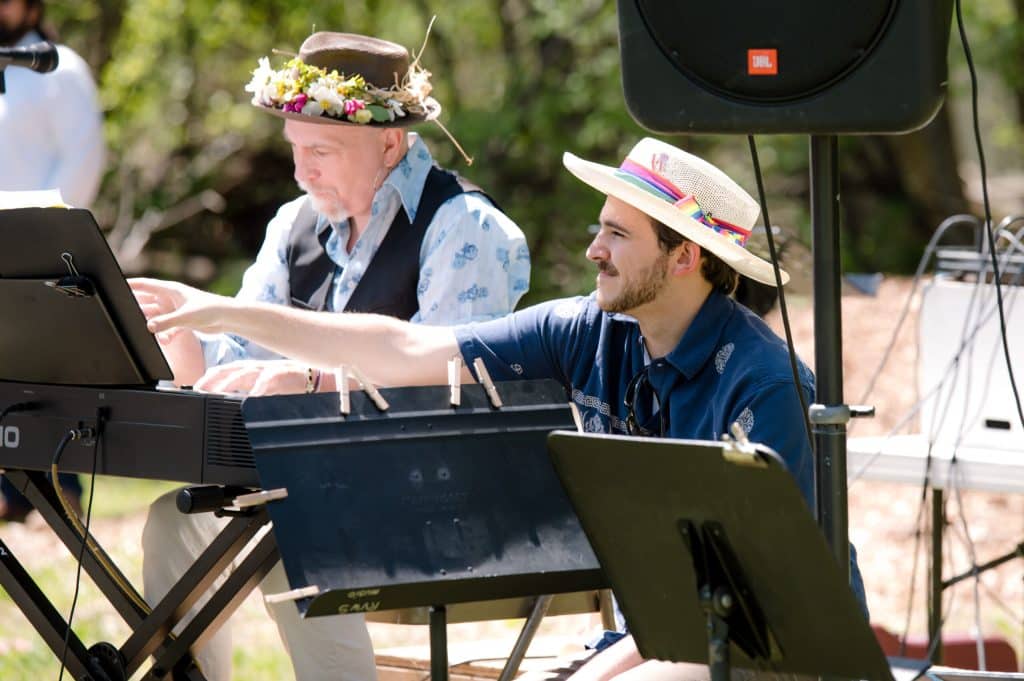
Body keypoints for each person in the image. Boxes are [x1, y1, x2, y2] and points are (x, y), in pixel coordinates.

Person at [133, 136, 869, 679]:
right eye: (600, 227)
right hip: (673, 633)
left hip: (779, 650)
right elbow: (405, 350)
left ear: (686, 259)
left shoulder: (763, 385)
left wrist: (595, 669)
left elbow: (750, 595)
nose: (593, 250)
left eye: (617, 234)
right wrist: (229, 315)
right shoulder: (589, 328)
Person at [134, 31, 530, 681]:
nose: (301, 172)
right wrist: (167, 332)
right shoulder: (294, 223)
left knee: (289, 528)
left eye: (320, 150)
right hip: (314, 487)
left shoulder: (466, 228)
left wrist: (316, 380)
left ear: (390, 142)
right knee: (173, 522)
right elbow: (226, 358)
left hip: (442, 494)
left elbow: (452, 388)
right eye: (295, 150)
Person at [0, 0, 106, 522]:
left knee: (49, 373)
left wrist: (44, 230)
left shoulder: (59, 68)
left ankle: (59, 497)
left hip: (42, 246)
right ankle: (11, 494)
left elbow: (85, 155)